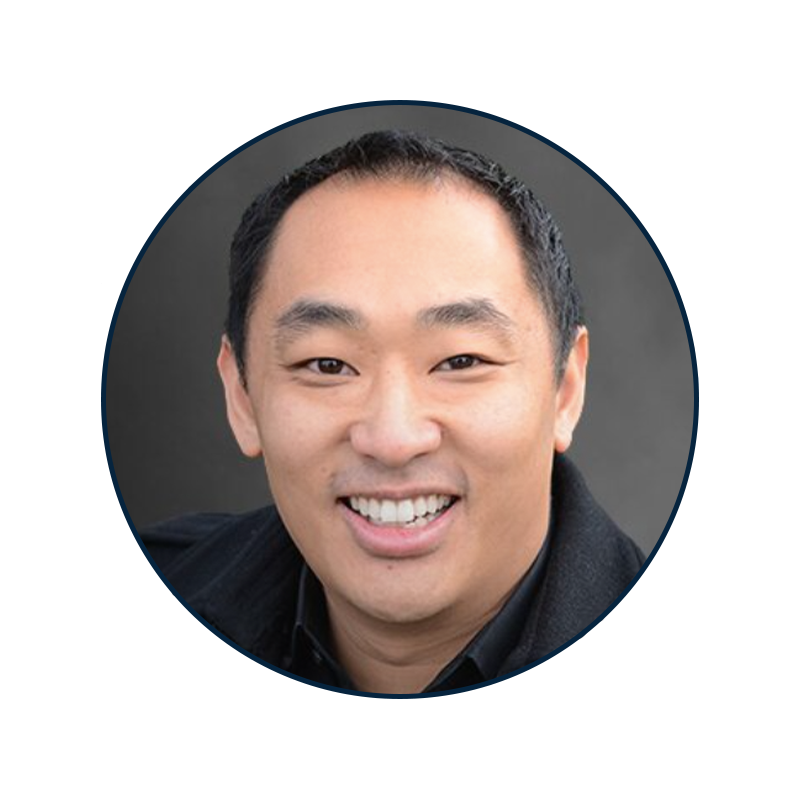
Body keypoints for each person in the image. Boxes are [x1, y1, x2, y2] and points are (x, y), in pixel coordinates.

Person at [102, 130, 697, 698]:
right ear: (241, 395)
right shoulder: (113, 626)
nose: (392, 438)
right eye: (328, 365)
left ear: (565, 388)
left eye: (460, 361)